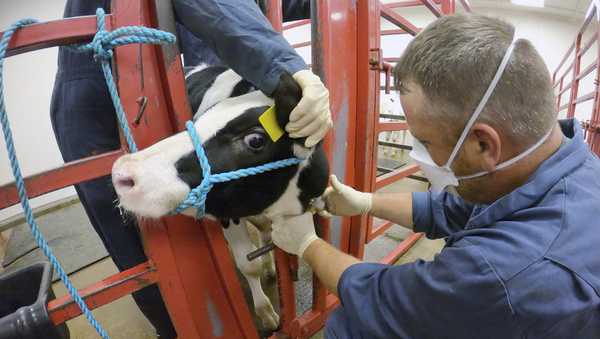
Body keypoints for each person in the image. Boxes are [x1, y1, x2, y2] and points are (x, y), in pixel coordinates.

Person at [271, 14, 600, 339]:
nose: (420, 153)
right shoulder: (570, 172)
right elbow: (458, 210)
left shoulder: (505, 274)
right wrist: (368, 202)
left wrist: (307, 243)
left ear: (484, 144)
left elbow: (383, 299)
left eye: (425, 142)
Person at [50, 1, 330, 338]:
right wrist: (283, 64)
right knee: (148, 250)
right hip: (100, 78)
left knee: (206, 208)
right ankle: (177, 329)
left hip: (187, 69)